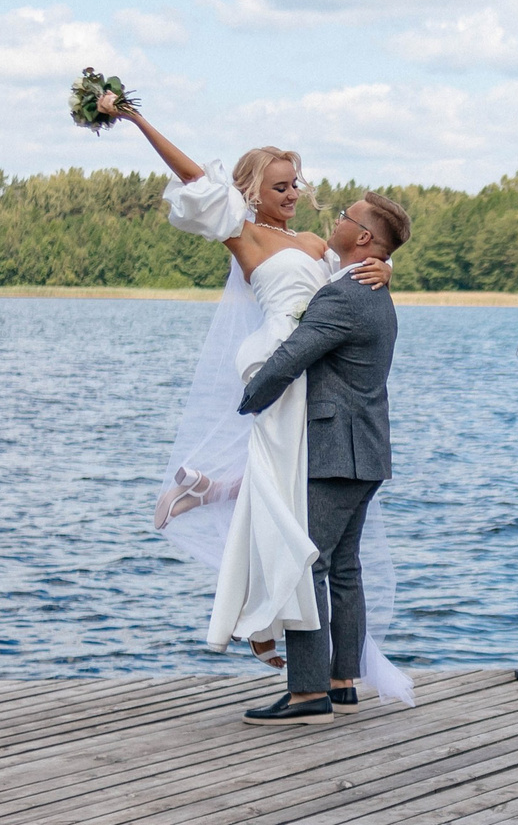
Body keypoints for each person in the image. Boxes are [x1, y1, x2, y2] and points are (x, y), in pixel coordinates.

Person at [101, 90, 388, 683]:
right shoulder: (246, 237)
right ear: (252, 191)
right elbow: (189, 175)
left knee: (284, 489)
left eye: (295, 184)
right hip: (276, 364)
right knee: (282, 492)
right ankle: (260, 618)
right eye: (279, 186)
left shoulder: (314, 245)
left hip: (311, 368)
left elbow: (356, 279)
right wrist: (134, 119)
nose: (292, 194)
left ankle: (211, 497)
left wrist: (388, 268)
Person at [233, 192, 410, 721]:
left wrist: (250, 400)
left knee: (306, 562)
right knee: (345, 568)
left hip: (336, 452)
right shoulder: (375, 290)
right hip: (368, 449)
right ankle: (342, 680)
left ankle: (309, 692)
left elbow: (292, 356)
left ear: (361, 238)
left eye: (345, 217)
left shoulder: (344, 297)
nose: (334, 220)